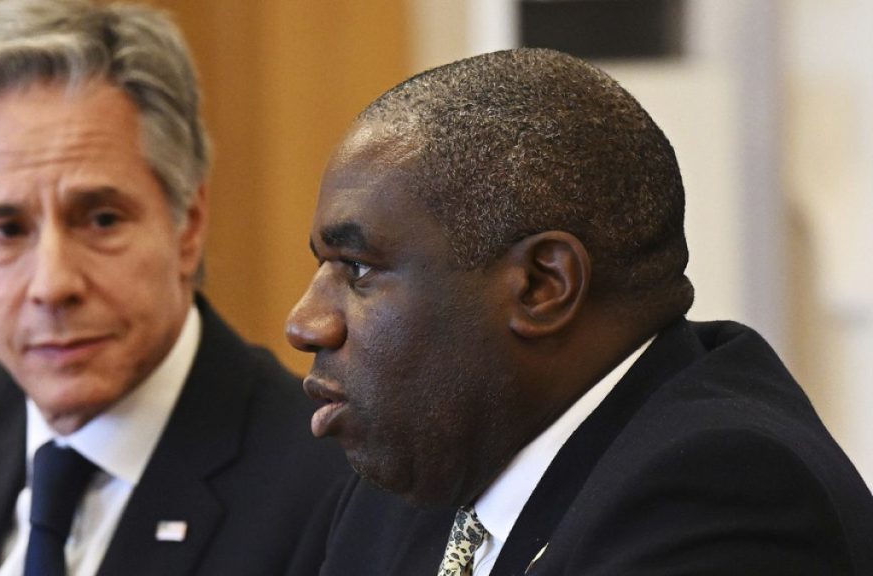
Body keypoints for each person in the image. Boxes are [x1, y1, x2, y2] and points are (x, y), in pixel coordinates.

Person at [285, 48, 873, 575]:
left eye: (357, 268)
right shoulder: (415, 477)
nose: (305, 322)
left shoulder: (725, 489)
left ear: (543, 286)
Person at [0, 1, 346, 574]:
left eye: (102, 219)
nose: (53, 284)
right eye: (6, 230)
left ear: (188, 223)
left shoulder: (328, 489)